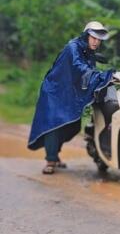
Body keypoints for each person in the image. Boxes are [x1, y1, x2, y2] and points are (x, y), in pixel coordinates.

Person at [27, 21, 114, 174]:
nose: (96, 41)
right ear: (86, 36)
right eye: (93, 38)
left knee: (72, 126)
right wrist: (102, 75)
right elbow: (79, 66)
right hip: (54, 91)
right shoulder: (73, 47)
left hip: (69, 92)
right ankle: (50, 160)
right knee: (53, 125)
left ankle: (55, 152)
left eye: (99, 39)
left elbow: (87, 71)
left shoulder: (88, 51)